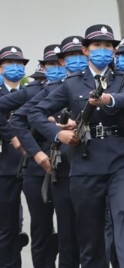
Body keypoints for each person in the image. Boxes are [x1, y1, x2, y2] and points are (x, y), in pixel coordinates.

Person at [28, 24, 124, 268]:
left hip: (120, 159)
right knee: (90, 232)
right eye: (97, 46)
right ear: (86, 50)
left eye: (107, 46)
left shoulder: (123, 80)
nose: (102, 50)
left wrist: (109, 99)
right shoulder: (71, 84)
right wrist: (57, 134)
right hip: (85, 162)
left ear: (114, 51)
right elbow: (36, 114)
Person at [11, 35, 88, 268]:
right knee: (42, 230)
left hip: (70, 168)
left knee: (70, 230)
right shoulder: (43, 91)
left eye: (78, 56)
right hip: (39, 168)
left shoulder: (85, 88)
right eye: (52, 64)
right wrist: (32, 151)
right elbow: (17, 120)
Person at [0, 45, 30, 268]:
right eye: (10, 63)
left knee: (41, 223)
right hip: (4, 166)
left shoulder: (32, 89)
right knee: (8, 226)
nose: (15, 67)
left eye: (19, 63)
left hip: (33, 163)